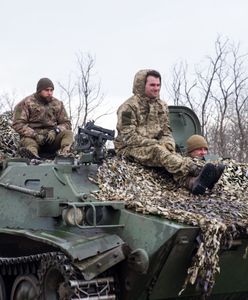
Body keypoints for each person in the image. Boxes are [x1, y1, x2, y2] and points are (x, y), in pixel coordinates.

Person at [114, 69, 224, 195]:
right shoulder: (128, 108)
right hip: (129, 149)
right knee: (159, 152)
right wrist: (156, 144)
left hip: (155, 146)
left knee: (171, 155)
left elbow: (166, 131)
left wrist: (168, 144)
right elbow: (129, 137)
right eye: (152, 85)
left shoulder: (162, 106)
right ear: (141, 85)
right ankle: (196, 170)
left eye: (158, 85)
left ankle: (193, 183)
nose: (156, 88)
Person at [12, 78, 73, 159]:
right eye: (46, 90)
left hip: (51, 139)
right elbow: (17, 124)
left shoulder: (58, 104)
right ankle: (33, 157)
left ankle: (66, 154)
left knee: (68, 133)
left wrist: (55, 131)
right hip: (32, 138)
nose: (50, 93)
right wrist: (35, 135)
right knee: (30, 144)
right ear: (39, 90)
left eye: (51, 90)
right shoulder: (26, 103)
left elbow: (66, 123)